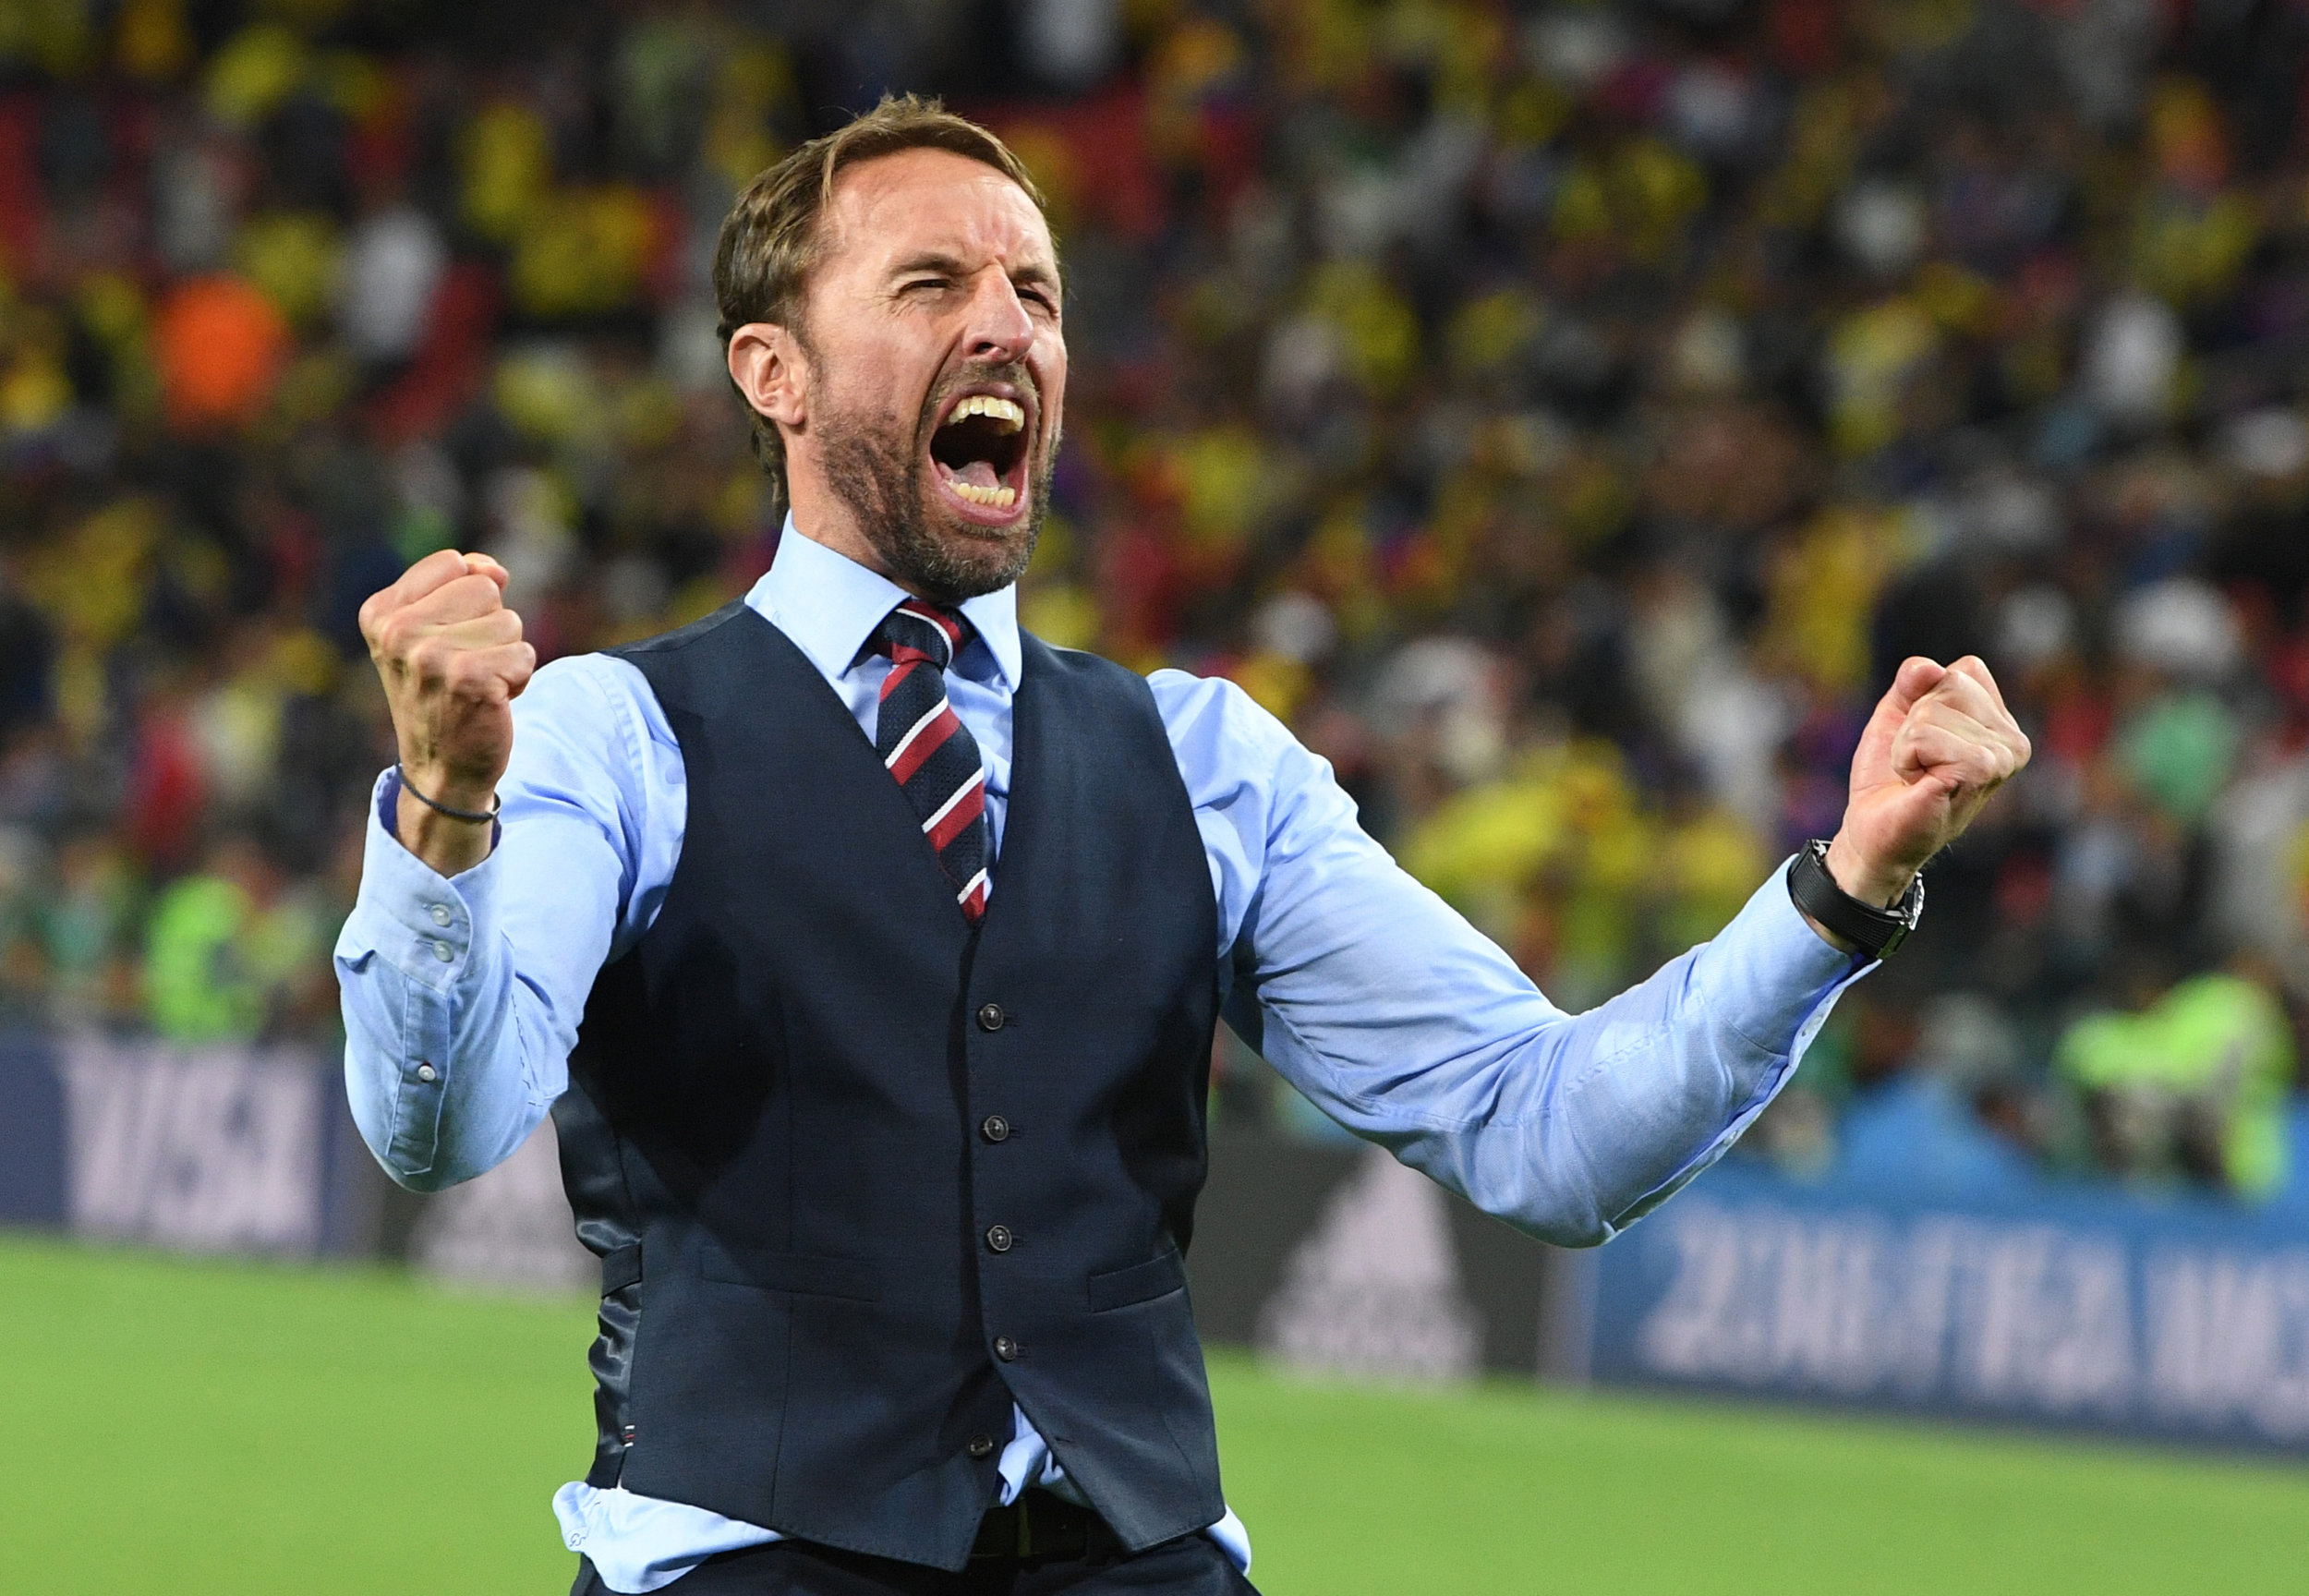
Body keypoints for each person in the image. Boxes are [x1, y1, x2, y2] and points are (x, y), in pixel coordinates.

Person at [335, 97, 2031, 1596]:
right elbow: (443, 1123)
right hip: (747, 1564)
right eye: (931, 286)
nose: (1005, 328)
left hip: (1139, 1563)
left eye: (1038, 296)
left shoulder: (1206, 762)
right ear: (771, 374)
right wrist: (446, 809)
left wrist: (1842, 889)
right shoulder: (609, 735)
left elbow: (1548, 1133)